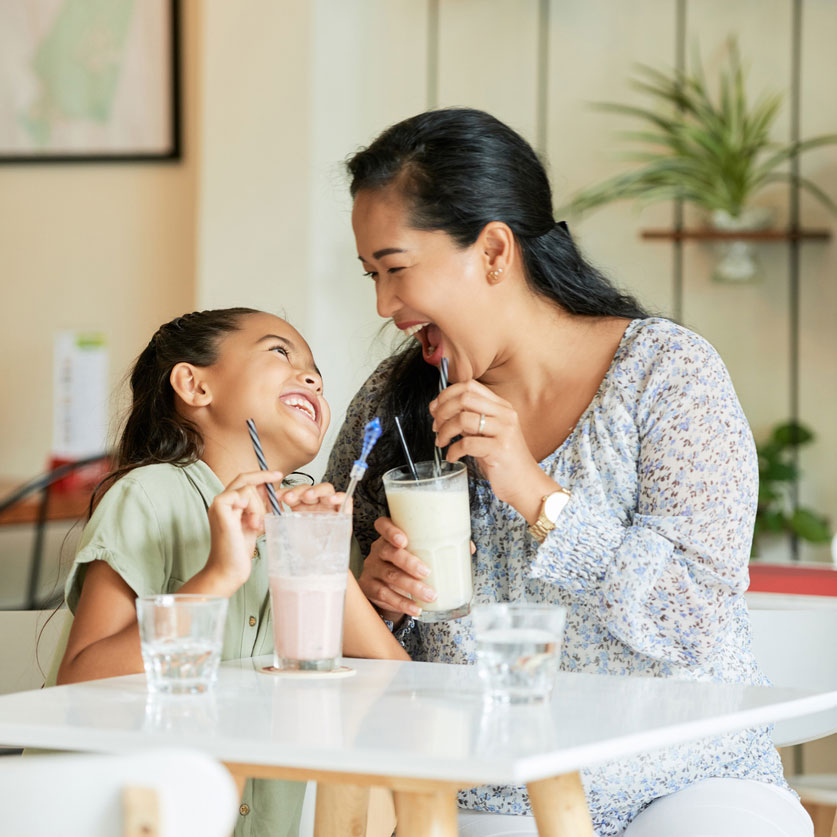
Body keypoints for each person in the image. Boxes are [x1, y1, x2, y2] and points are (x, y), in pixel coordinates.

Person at [324, 109, 813, 837]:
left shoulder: (664, 374)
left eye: (396, 269)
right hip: (488, 798)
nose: (384, 306)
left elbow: (697, 627)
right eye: (372, 275)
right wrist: (378, 597)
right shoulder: (392, 407)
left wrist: (532, 489)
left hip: (684, 778)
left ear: (493, 251)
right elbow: (339, 624)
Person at [52, 307, 408, 837]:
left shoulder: (302, 526)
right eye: (280, 352)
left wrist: (324, 558)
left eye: (316, 372)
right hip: (129, 816)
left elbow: (393, 686)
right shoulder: (150, 495)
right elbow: (82, 682)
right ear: (194, 385)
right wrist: (218, 575)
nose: (311, 376)